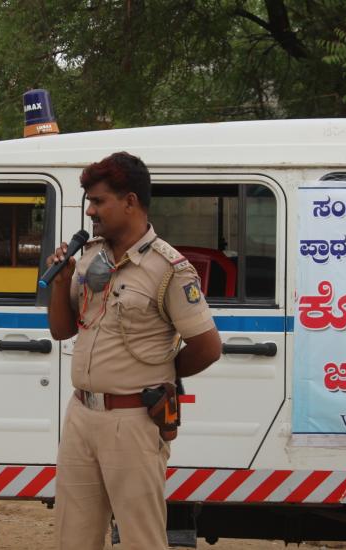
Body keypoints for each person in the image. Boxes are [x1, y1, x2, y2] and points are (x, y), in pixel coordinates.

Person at [46, 151, 222, 550]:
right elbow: (61, 331)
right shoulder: (90, 255)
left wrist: (162, 370)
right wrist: (61, 283)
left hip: (134, 419)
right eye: (89, 201)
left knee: (141, 539)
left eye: (99, 201)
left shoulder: (169, 269)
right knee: (72, 538)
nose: (90, 211)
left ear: (130, 202)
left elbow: (208, 347)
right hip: (81, 415)